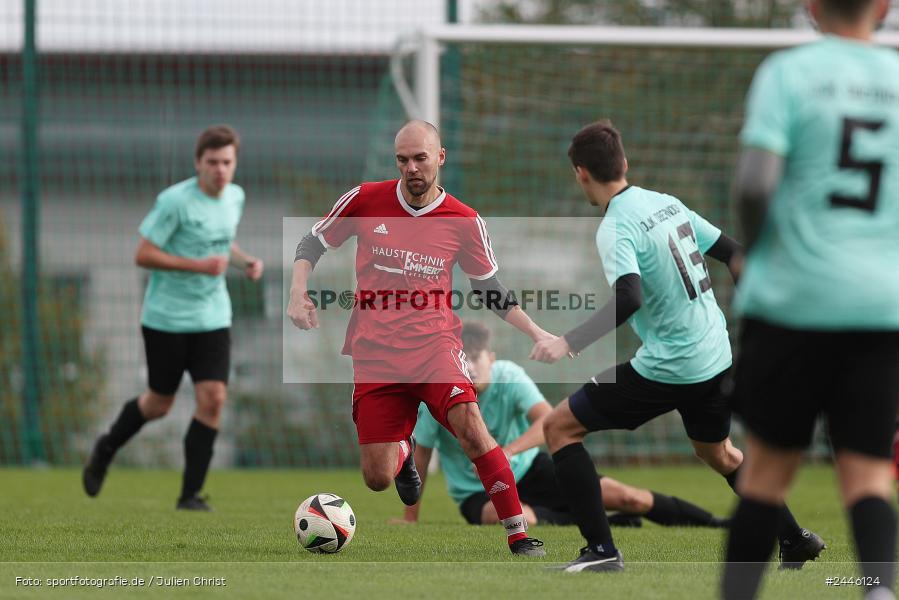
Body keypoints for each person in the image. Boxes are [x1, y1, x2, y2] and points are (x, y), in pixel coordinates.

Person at [531, 121, 824, 573]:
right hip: (715, 352)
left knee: (560, 428)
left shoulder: (615, 225)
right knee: (718, 453)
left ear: (581, 174)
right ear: (624, 163)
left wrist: (568, 342)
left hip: (673, 364)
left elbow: (629, 296)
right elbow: (733, 252)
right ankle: (794, 538)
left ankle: (601, 553)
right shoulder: (667, 203)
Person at [287, 120, 553, 556]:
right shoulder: (366, 199)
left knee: (470, 425)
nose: (411, 167)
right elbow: (311, 241)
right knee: (377, 478)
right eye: (403, 159)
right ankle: (403, 452)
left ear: (440, 158)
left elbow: (491, 289)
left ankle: (518, 533)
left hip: (436, 348)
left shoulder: (465, 221)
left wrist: (537, 330)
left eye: (420, 158)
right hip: (375, 354)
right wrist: (298, 294)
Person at [722, 1, 899, 598]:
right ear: (885, 6)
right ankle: (877, 589)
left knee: (767, 473)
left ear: (811, 7)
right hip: (879, 308)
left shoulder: (787, 73)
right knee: (870, 473)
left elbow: (753, 182)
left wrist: (758, 250)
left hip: (794, 300)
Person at [397, 321, 731, 530]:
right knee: (522, 519)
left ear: (492, 358)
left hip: (530, 470)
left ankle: (715, 524)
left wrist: (510, 450)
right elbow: (421, 457)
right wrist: (411, 517)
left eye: (474, 358)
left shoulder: (509, 377)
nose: (468, 367)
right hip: (476, 491)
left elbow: (548, 419)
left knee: (629, 498)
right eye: (461, 359)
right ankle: (607, 523)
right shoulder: (438, 394)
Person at [82, 125, 263, 511]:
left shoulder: (235, 197)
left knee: (213, 398)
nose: (220, 170)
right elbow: (143, 254)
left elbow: (221, 240)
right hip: (166, 318)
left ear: (235, 164)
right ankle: (106, 447)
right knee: (159, 404)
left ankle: (190, 495)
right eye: (212, 162)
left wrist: (244, 261)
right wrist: (197, 266)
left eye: (226, 162)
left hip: (213, 315)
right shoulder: (174, 202)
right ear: (198, 162)